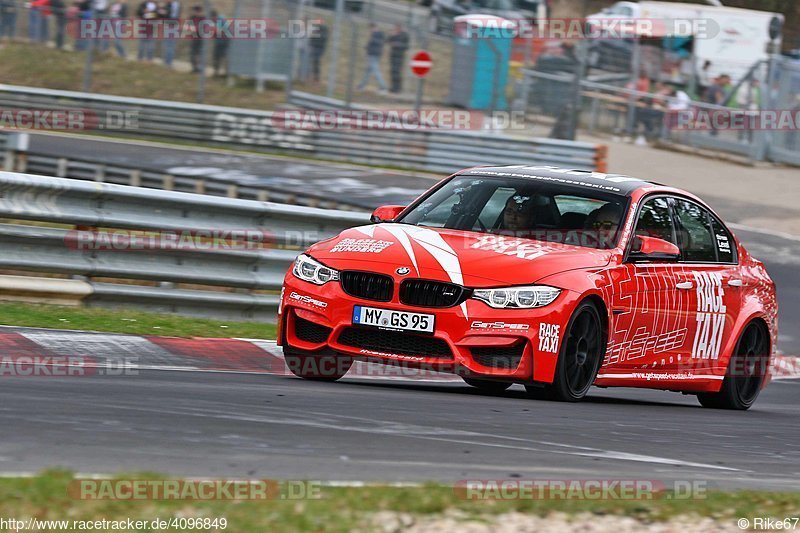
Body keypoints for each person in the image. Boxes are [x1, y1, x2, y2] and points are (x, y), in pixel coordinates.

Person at [356, 23, 386, 94]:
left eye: (371, 29)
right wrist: (367, 47)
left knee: (376, 71)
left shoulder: (378, 34)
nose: (370, 30)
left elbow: (378, 43)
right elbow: (372, 44)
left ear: (375, 27)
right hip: (372, 54)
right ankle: (361, 85)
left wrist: (370, 43)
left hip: (374, 55)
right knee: (368, 71)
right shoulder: (375, 34)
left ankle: (383, 87)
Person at [387, 23, 408, 94]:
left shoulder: (404, 35)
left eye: (397, 28)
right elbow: (387, 41)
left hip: (399, 56)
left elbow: (406, 46)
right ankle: (393, 87)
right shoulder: (394, 34)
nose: (396, 30)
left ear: (400, 28)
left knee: (397, 72)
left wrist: (398, 44)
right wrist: (391, 35)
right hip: (393, 55)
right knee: (392, 72)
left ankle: (398, 88)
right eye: (395, 28)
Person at [308, 18, 327, 82]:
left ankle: (316, 77)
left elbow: (323, 38)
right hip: (314, 46)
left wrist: (315, 35)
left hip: (319, 47)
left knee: (316, 61)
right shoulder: (315, 28)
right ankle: (308, 75)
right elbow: (311, 38)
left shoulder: (324, 29)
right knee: (311, 61)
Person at [210, 8, 228, 77]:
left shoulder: (221, 20)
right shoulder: (215, 20)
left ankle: (227, 73)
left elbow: (222, 31)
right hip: (219, 42)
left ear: (214, 16)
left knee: (225, 57)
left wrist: (214, 31)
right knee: (216, 56)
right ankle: (216, 72)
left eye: (211, 18)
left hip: (225, 42)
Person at [161, 0, 178, 66]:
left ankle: (168, 62)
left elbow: (169, 14)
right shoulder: (175, 4)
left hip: (170, 25)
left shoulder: (172, 4)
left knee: (169, 44)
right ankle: (168, 61)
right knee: (170, 44)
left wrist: (163, 10)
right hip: (172, 25)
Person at [187, 4, 203, 73]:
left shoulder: (203, 18)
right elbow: (187, 26)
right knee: (193, 54)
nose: (196, 12)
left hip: (201, 39)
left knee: (200, 54)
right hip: (194, 38)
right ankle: (194, 68)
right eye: (195, 11)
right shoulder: (192, 18)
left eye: (197, 11)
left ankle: (199, 68)